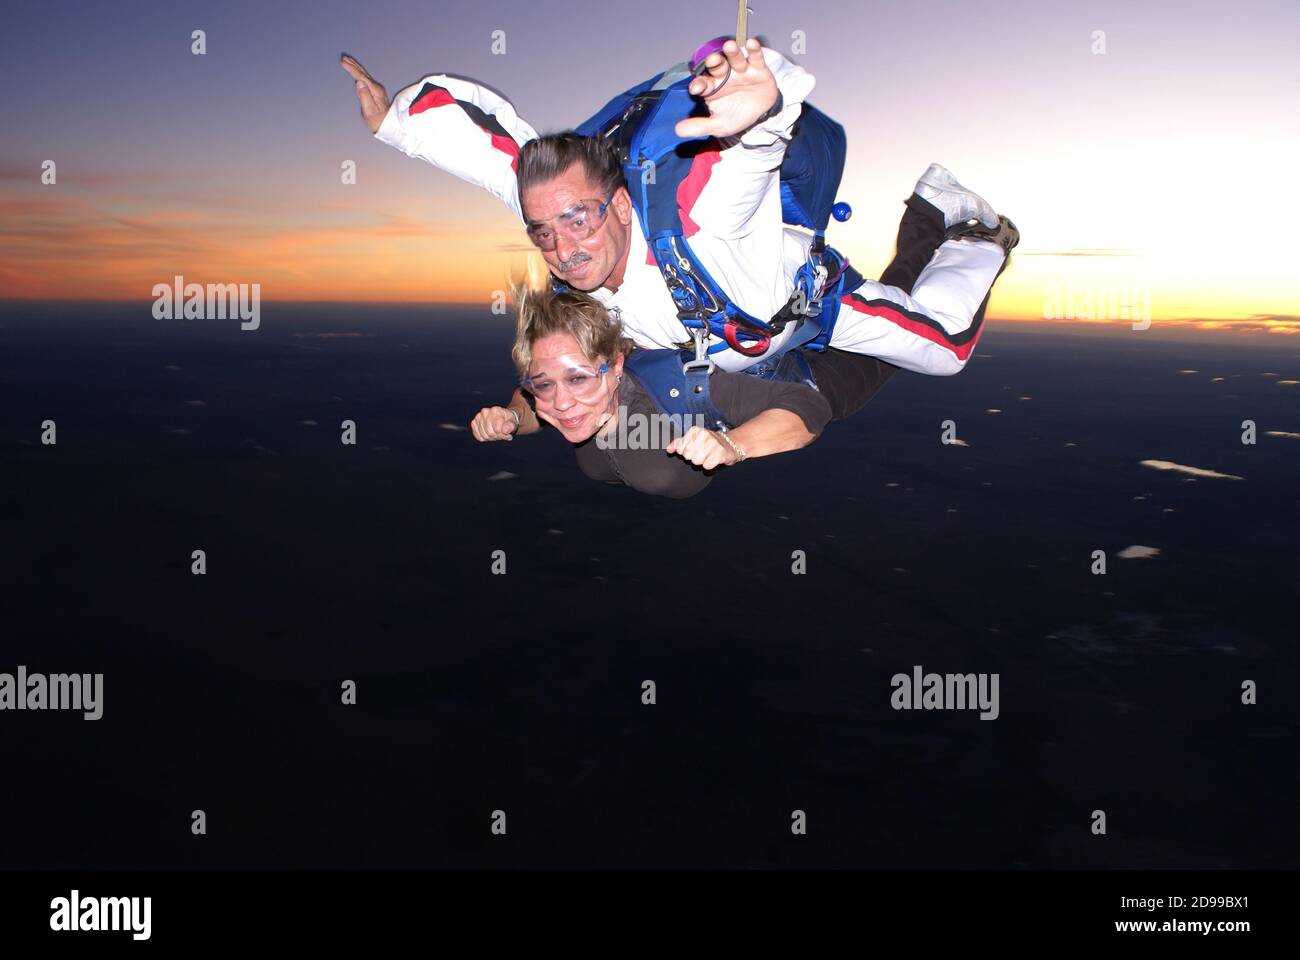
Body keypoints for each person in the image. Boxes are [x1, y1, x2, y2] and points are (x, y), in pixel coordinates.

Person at [340, 40, 1016, 385]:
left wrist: (759, 111)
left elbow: (741, 167)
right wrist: (399, 125)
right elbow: (502, 158)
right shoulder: (575, 239)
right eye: (541, 231)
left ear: (624, 204)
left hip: (793, 299)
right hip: (728, 334)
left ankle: (965, 223)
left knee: (946, 352)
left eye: (577, 219)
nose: (561, 247)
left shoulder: (704, 225)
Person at [481, 184, 978, 498]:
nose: (560, 402)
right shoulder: (567, 393)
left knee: (928, 344)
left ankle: (973, 239)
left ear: (614, 365)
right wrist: (511, 418)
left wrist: (732, 444)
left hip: (815, 375)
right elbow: (536, 401)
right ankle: (929, 212)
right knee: (897, 307)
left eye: (576, 379)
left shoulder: (668, 384)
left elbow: (807, 411)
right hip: (753, 350)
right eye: (543, 383)